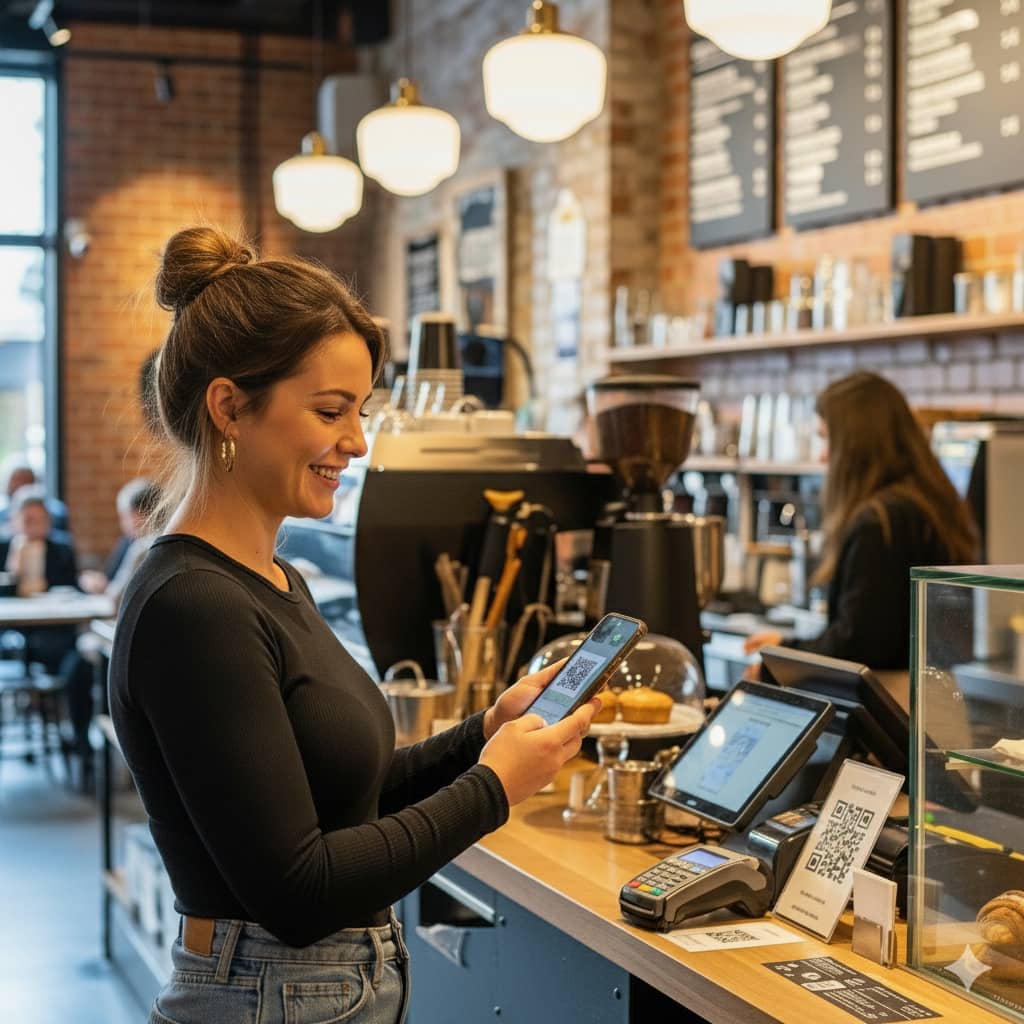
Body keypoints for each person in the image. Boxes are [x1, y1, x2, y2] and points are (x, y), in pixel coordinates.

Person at [109, 225, 596, 1024]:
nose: (358, 441)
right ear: (230, 407)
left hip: (310, 992)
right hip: (270, 997)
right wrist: (495, 786)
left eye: (361, 410)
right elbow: (300, 890)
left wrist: (482, 733)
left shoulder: (271, 578)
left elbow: (345, 797)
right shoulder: (193, 606)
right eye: (331, 410)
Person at [745, 371, 977, 670]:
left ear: (855, 444)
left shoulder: (879, 522)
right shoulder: (927, 503)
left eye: (827, 439)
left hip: (893, 705)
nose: (822, 456)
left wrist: (781, 661)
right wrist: (787, 648)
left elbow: (856, 645)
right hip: (932, 697)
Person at [0, 487, 79, 673]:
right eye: (29, 520)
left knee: (71, 657)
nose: (35, 526)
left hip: (51, 625)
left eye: (41, 520)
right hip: (10, 627)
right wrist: (14, 568)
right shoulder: (4, 547)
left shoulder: (62, 549)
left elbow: (71, 588)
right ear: (15, 521)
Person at [0, 456, 70, 533]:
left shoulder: (57, 513)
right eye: (15, 480)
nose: (20, 486)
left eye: (25, 479)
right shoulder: (2, 515)